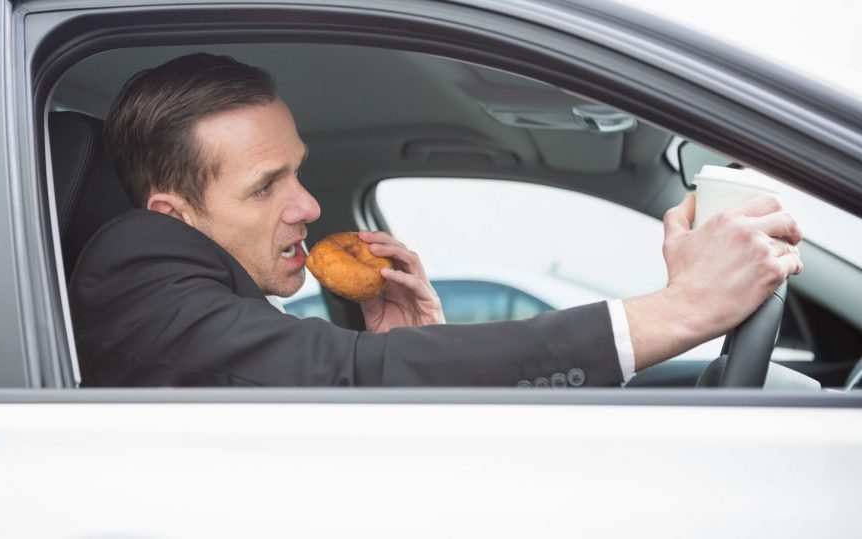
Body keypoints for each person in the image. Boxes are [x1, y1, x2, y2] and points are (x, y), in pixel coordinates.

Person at [69, 52, 804, 387]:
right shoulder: (134, 263)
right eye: (267, 187)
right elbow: (331, 374)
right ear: (175, 215)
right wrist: (678, 312)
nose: (310, 204)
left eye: (297, 169)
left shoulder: (191, 294)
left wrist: (413, 358)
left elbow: (317, 377)